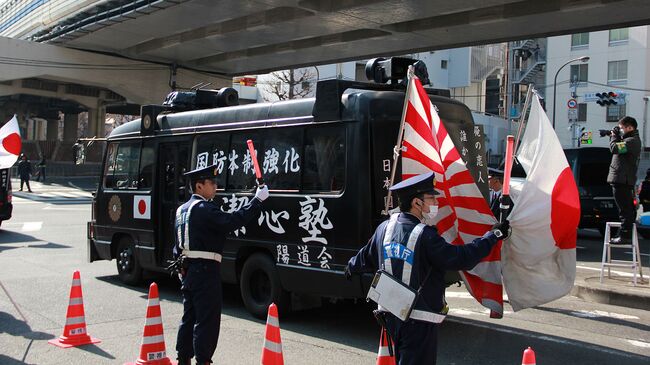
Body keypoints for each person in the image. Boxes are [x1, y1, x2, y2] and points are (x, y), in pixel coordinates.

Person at [345, 172, 509, 364]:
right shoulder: (425, 235)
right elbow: (460, 258)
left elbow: (364, 258)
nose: (435, 203)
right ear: (417, 203)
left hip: (390, 314)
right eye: (431, 198)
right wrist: (493, 236)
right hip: (418, 318)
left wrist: (350, 268)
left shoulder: (384, 228)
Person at [174, 164, 269, 365]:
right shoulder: (204, 209)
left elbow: (177, 246)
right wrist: (257, 201)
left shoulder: (181, 210)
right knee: (206, 321)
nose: (215, 186)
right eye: (212, 182)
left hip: (188, 270)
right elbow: (232, 221)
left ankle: (183, 359)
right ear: (199, 186)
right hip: (205, 271)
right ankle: (203, 361)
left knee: (188, 318)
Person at [607, 116, 642, 244]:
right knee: (625, 209)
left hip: (622, 179)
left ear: (629, 127)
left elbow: (614, 148)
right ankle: (624, 234)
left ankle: (625, 236)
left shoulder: (632, 141)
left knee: (625, 210)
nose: (620, 130)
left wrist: (613, 136)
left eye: (622, 128)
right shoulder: (629, 140)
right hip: (622, 179)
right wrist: (613, 135)